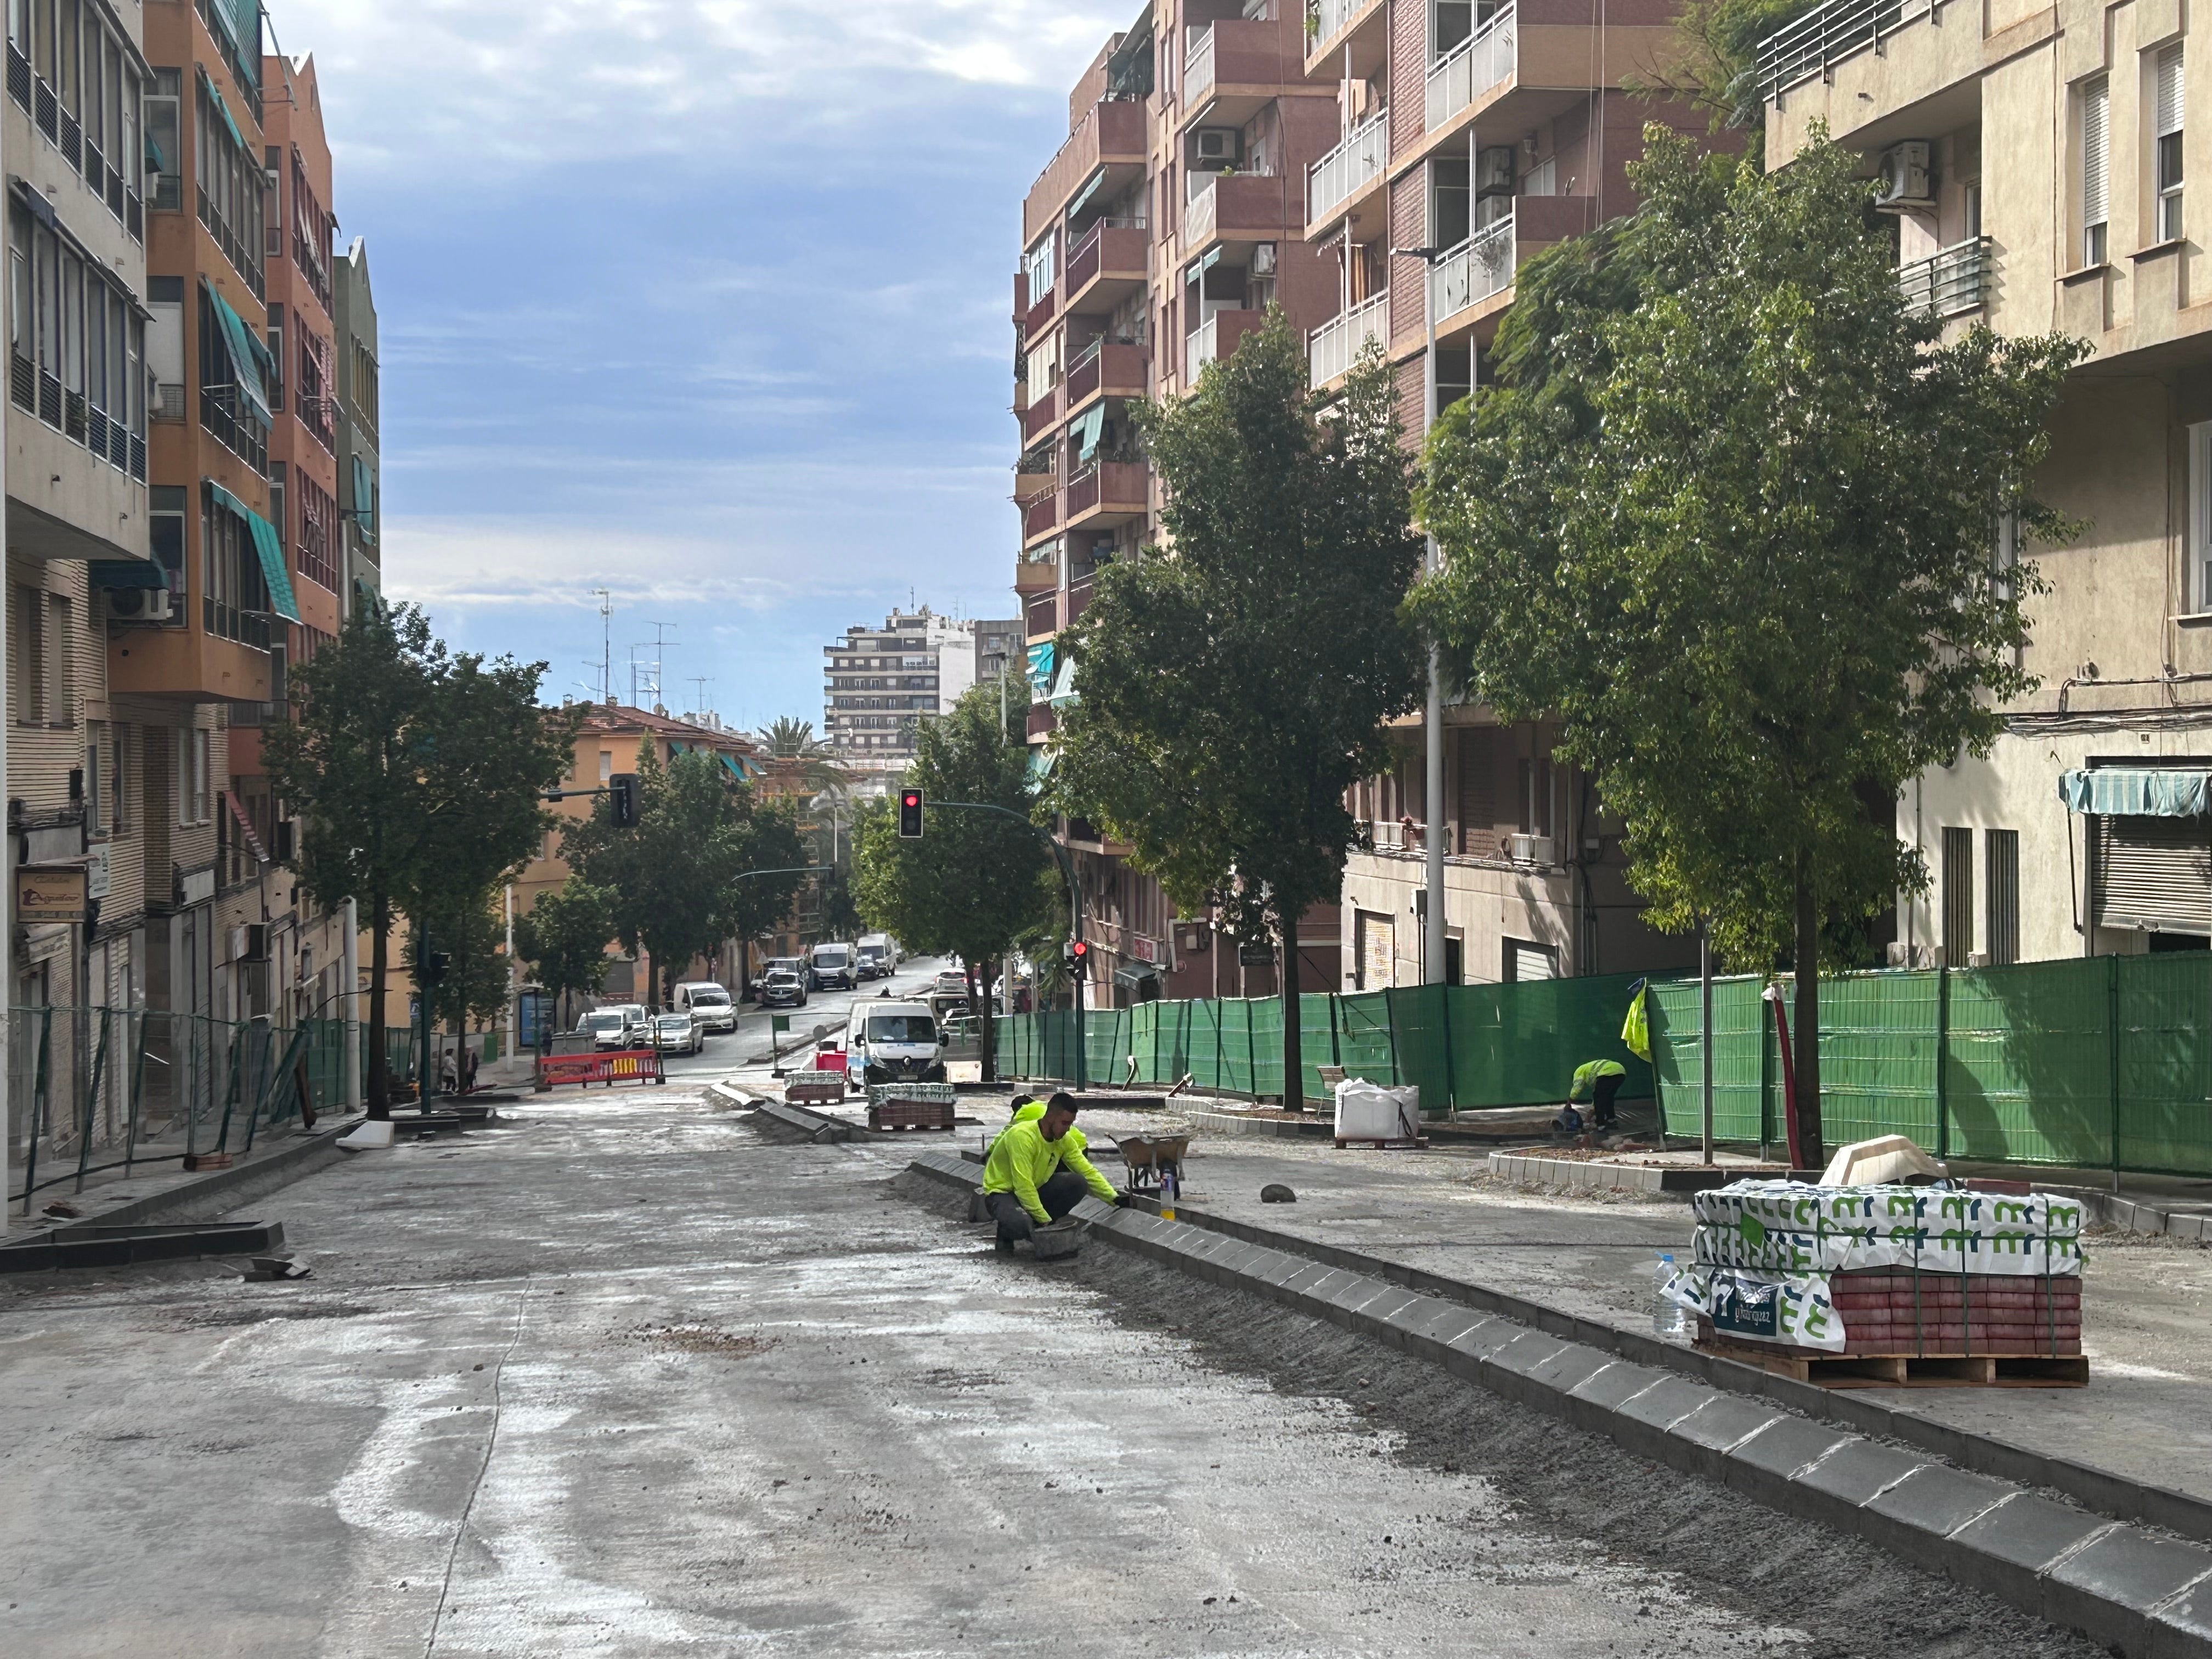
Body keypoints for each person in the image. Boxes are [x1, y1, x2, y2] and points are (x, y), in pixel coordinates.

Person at [981, 1093, 1122, 1254]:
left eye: (1070, 1124)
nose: (1068, 1129)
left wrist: (1114, 1198)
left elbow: (1087, 1171)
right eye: (1064, 1123)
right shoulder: (1022, 1137)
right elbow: (1023, 1186)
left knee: (1077, 1183)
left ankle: (1037, 1227)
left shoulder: (1064, 1140)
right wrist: (1045, 1221)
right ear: (1050, 1117)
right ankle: (1007, 1234)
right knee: (1021, 1224)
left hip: (1034, 1188)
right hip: (1002, 1193)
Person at [1569, 1058, 1627, 1135]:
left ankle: (1601, 1125)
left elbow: (1577, 1088)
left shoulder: (1578, 1073)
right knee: (1608, 1097)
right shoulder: (1591, 1073)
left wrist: (1570, 1101)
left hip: (1607, 1074)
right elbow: (1597, 1099)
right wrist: (1592, 1110)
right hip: (1621, 1072)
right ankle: (1611, 1120)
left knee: (1600, 1101)